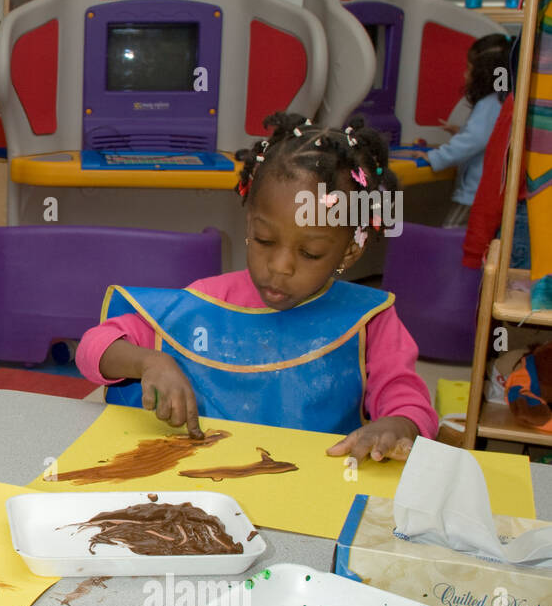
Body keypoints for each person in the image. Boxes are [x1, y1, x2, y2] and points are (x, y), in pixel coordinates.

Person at [76, 113, 438, 463]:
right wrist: (150, 361)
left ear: (351, 248)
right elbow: (93, 349)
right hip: (205, 484)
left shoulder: (370, 320)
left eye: (310, 253)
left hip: (316, 490)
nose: (280, 267)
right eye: (265, 240)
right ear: (249, 224)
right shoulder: (206, 303)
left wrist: (397, 424)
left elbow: (407, 400)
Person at [403, 33, 512, 228]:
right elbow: (487, 135)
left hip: (474, 194)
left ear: (483, 74)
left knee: (451, 236)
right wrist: (462, 132)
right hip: (487, 191)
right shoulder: (501, 100)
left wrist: (436, 157)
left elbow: (476, 138)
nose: (464, 75)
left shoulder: (491, 103)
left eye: (469, 70)